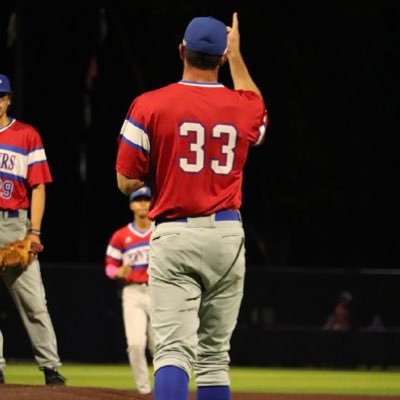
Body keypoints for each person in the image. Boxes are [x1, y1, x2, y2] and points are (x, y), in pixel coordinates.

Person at [115, 12, 267, 400]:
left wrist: (165, 171)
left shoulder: (149, 105)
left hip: (175, 233)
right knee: (214, 357)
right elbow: (258, 111)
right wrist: (237, 56)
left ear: (181, 50)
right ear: (220, 58)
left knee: (172, 351)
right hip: (227, 235)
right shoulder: (243, 106)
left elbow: (125, 181)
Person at [0, 74, 66, 385]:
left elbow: (38, 186)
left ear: (8, 99)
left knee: (34, 303)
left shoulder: (26, 135)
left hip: (15, 223)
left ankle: (50, 368)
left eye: (1, 96)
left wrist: (35, 231)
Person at [105, 186, 155, 395]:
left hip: (158, 292)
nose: (143, 203)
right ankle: (144, 391)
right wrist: (117, 272)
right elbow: (109, 266)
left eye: (146, 199)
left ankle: (165, 388)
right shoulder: (121, 236)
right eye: (138, 199)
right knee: (135, 344)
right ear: (131, 205)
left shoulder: (161, 231)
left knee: (161, 346)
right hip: (133, 292)